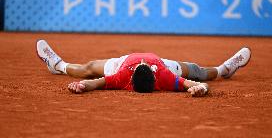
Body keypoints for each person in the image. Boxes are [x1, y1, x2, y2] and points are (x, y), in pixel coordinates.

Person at [36, 39, 251, 97]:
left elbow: (97, 82)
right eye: (143, 64)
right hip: (165, 63)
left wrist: (82, 85)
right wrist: (200, 88)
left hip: (121, 62)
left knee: (89, 69)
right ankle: (223, 69)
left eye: (143, 64)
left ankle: (59, 66)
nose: (143, 61)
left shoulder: (121, 76)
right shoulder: (165, 76)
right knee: (198, 72)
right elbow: (194, 83)